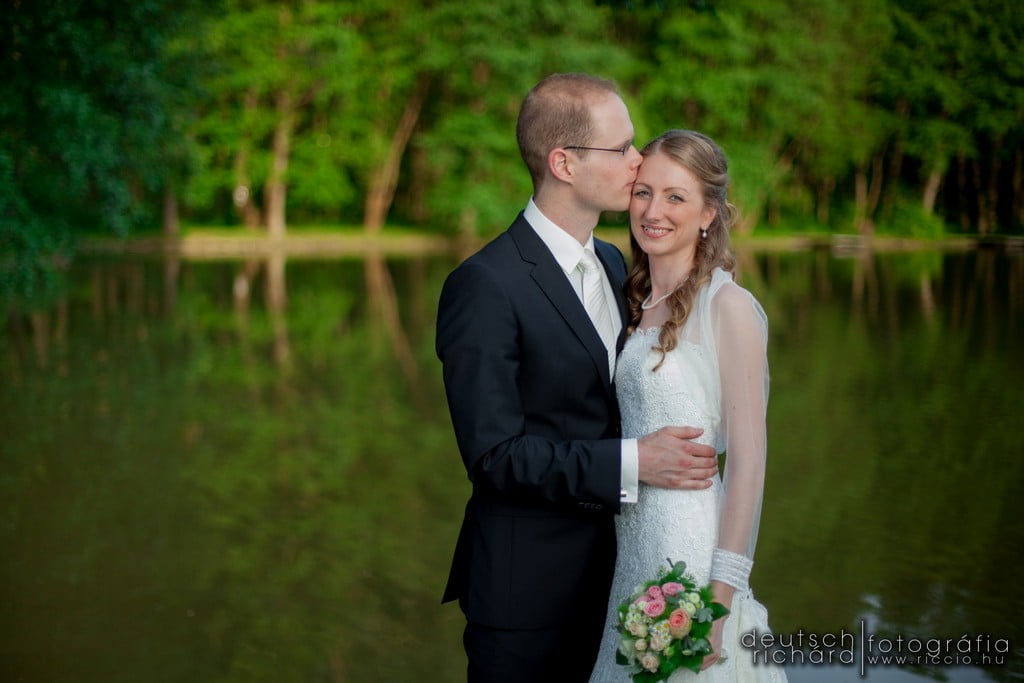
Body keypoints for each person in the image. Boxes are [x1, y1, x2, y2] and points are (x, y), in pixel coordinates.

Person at [436, 75, 720, 683]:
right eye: (622, 148)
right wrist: (634, 461)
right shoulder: (484, 285)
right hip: (525, 599)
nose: (639, 160)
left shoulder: (614, 261)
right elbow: (494, 455)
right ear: (564, 163)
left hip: (621, 583)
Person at [588, 130, 787, 682]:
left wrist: (718, 603)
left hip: (693, 559)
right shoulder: (632, 301)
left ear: (708, 213)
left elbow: (748, 465)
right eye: (644, 192)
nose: (653, 211)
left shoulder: (729, 307)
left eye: (675, 197)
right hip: (633, 554)